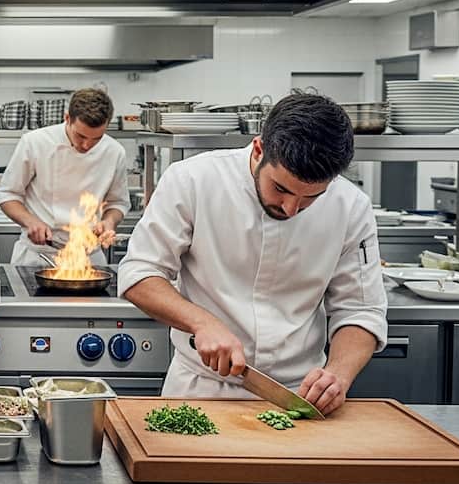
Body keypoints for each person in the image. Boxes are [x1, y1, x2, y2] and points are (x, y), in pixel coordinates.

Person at [118, 93, 387, 415]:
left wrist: (338, 374)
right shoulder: (193, 180)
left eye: (311, 198)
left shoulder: (351, 206)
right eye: (281, 189)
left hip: (298, 395)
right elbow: (140, 273)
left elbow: (361, 310)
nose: (291, 209)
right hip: (201, 388)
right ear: (259, 149)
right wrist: (201, 322)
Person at [0, 88, 129, 266]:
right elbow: (7, 195)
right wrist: (30, 222)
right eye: (80, 136)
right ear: (67, 118)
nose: (87, 145)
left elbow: (117, 203)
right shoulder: (35, 142)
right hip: (40, 255)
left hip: (88, 258)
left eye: (96, 138)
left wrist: (109, 221)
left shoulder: (114, 152)